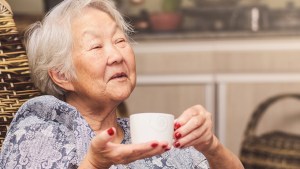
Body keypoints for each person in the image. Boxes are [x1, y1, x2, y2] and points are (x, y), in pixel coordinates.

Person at [0, 0, 244, 168]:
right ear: (62, 75)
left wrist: (211, 147)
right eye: (96, 46)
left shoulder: (154, 136)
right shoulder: (40, 128)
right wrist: (96, 164)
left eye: (120, 40)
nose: (117, 55)